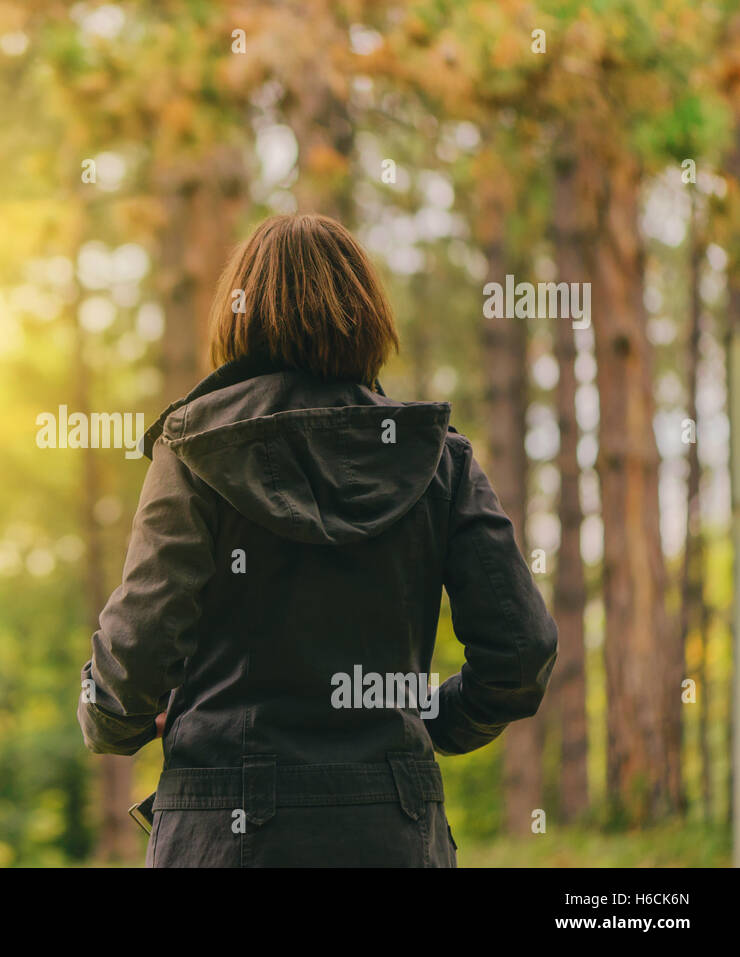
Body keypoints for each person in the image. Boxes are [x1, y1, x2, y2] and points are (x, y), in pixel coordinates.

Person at [76, 212, 558, 867]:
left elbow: (135, 658)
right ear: (367, 314)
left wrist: (113, 720)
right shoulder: (436, 459)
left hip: (222, 832)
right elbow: (521, 653)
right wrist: (429, 721)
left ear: (240, 316)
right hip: (394, 829)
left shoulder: (194, 452)